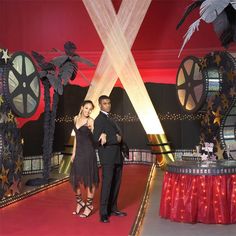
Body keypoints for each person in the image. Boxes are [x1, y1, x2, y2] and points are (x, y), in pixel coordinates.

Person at [93, 95, 127, 223]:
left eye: (109, 103)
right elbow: (96, 140)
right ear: (100, 105)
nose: (108, 105)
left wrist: (119, 139)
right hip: (107, 158)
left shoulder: (110, 118)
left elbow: (115, 134)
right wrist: (115, 139)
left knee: (116, 184)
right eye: (105, 103)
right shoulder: (99, 119)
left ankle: (113, 208)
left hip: (117, 156)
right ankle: (103, 213)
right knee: (107, 184)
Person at [69, 100, 100, 218]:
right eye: (86, 108)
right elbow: (77, 137)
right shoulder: (76, 118)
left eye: (90, 109)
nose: (88, 111)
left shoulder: (90, 121)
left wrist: (92, 130)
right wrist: (73, 153)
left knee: (89, 180)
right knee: (75, 180)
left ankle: (89, 206)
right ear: (82, 107)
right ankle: (80, 202)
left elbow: (94, 139)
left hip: (88, 152)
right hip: (79, 153)